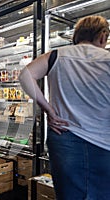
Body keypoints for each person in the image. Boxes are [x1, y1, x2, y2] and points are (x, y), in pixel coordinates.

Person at [19, 16, 110, 200]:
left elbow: (25, 75)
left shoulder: (56, 55)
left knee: (68, 195)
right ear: (102, 36)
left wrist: (48, 110)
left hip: (63, 135)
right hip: (104, 139)